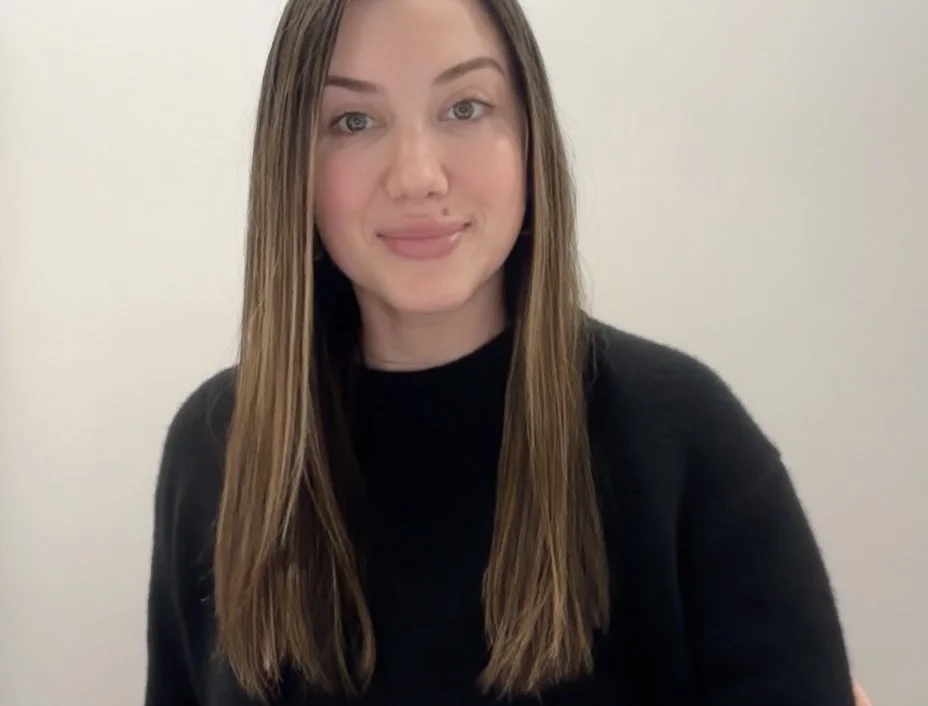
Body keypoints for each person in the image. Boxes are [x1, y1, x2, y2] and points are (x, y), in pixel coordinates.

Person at [144, 0, 858, 704]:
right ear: (292, 166)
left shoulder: (684, 440)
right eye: (353, 121)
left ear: (529, 137)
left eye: (465, 108)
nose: (417, 174)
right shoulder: (215, 449)